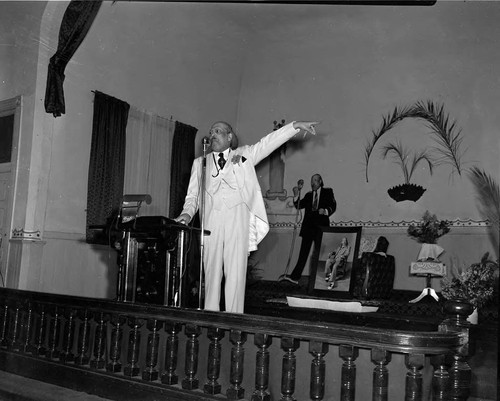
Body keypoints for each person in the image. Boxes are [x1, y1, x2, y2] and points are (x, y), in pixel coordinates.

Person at [174, 120, 319, 313]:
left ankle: (234, 319)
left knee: (235, 274)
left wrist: (294, 126)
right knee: (211, 272)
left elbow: (267, 143)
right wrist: (186, 213)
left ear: (229, 137)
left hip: (237, 222)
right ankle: (209, 318)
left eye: (218, 131)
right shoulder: (200, 163)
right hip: (211, 224)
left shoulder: (243, 155)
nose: (213, 135)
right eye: (211, 132)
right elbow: (192, 196)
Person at [279, 173, 336, 284]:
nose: (312, 183)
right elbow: (299, 205)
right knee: (303, 254)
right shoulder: (309, 195)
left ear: (320, 182)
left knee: (320, 254)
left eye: (315, 180)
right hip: (308, 228)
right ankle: (295, 277)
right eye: (311, 181)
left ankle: (320, 280)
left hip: (321, 228)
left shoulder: (327, 192)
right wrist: (296, 195)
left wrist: (325, 211)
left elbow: (333, 205)